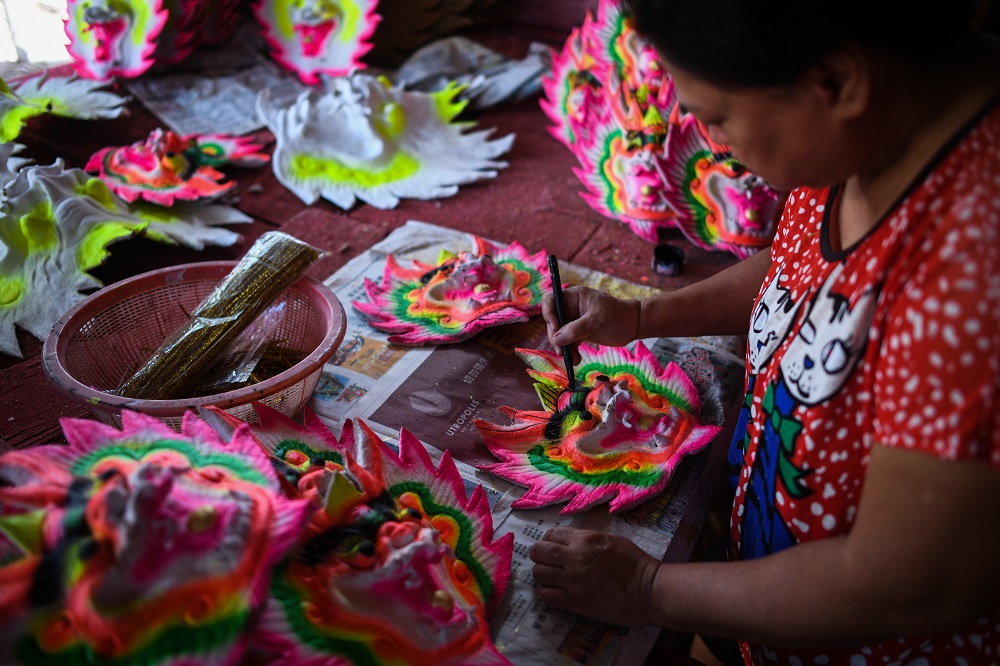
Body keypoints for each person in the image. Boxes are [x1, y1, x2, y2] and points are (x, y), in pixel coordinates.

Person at [528, 1, 1000, 664]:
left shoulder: (972, 271)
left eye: (717, 116)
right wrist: (640, 318)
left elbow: (900, 587)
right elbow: (801, 266)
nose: (711, 142)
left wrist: (647, 588)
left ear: (836, 82)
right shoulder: (886, 123)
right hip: (772, 600)